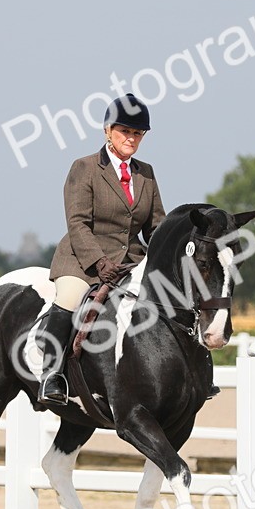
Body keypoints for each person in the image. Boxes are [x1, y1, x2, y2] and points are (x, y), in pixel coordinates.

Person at [37, 93, 167, 405]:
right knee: (69, 299)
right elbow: (78, 222)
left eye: (137, 133)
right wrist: (99, 261)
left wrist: (169, 247)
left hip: (129, 262)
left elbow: (156, 225)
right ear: (107, 130)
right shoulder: (84, 168)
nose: (131, 139)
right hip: (83, 258)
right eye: (125, 131)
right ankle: (51, 374)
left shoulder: (146, 173)